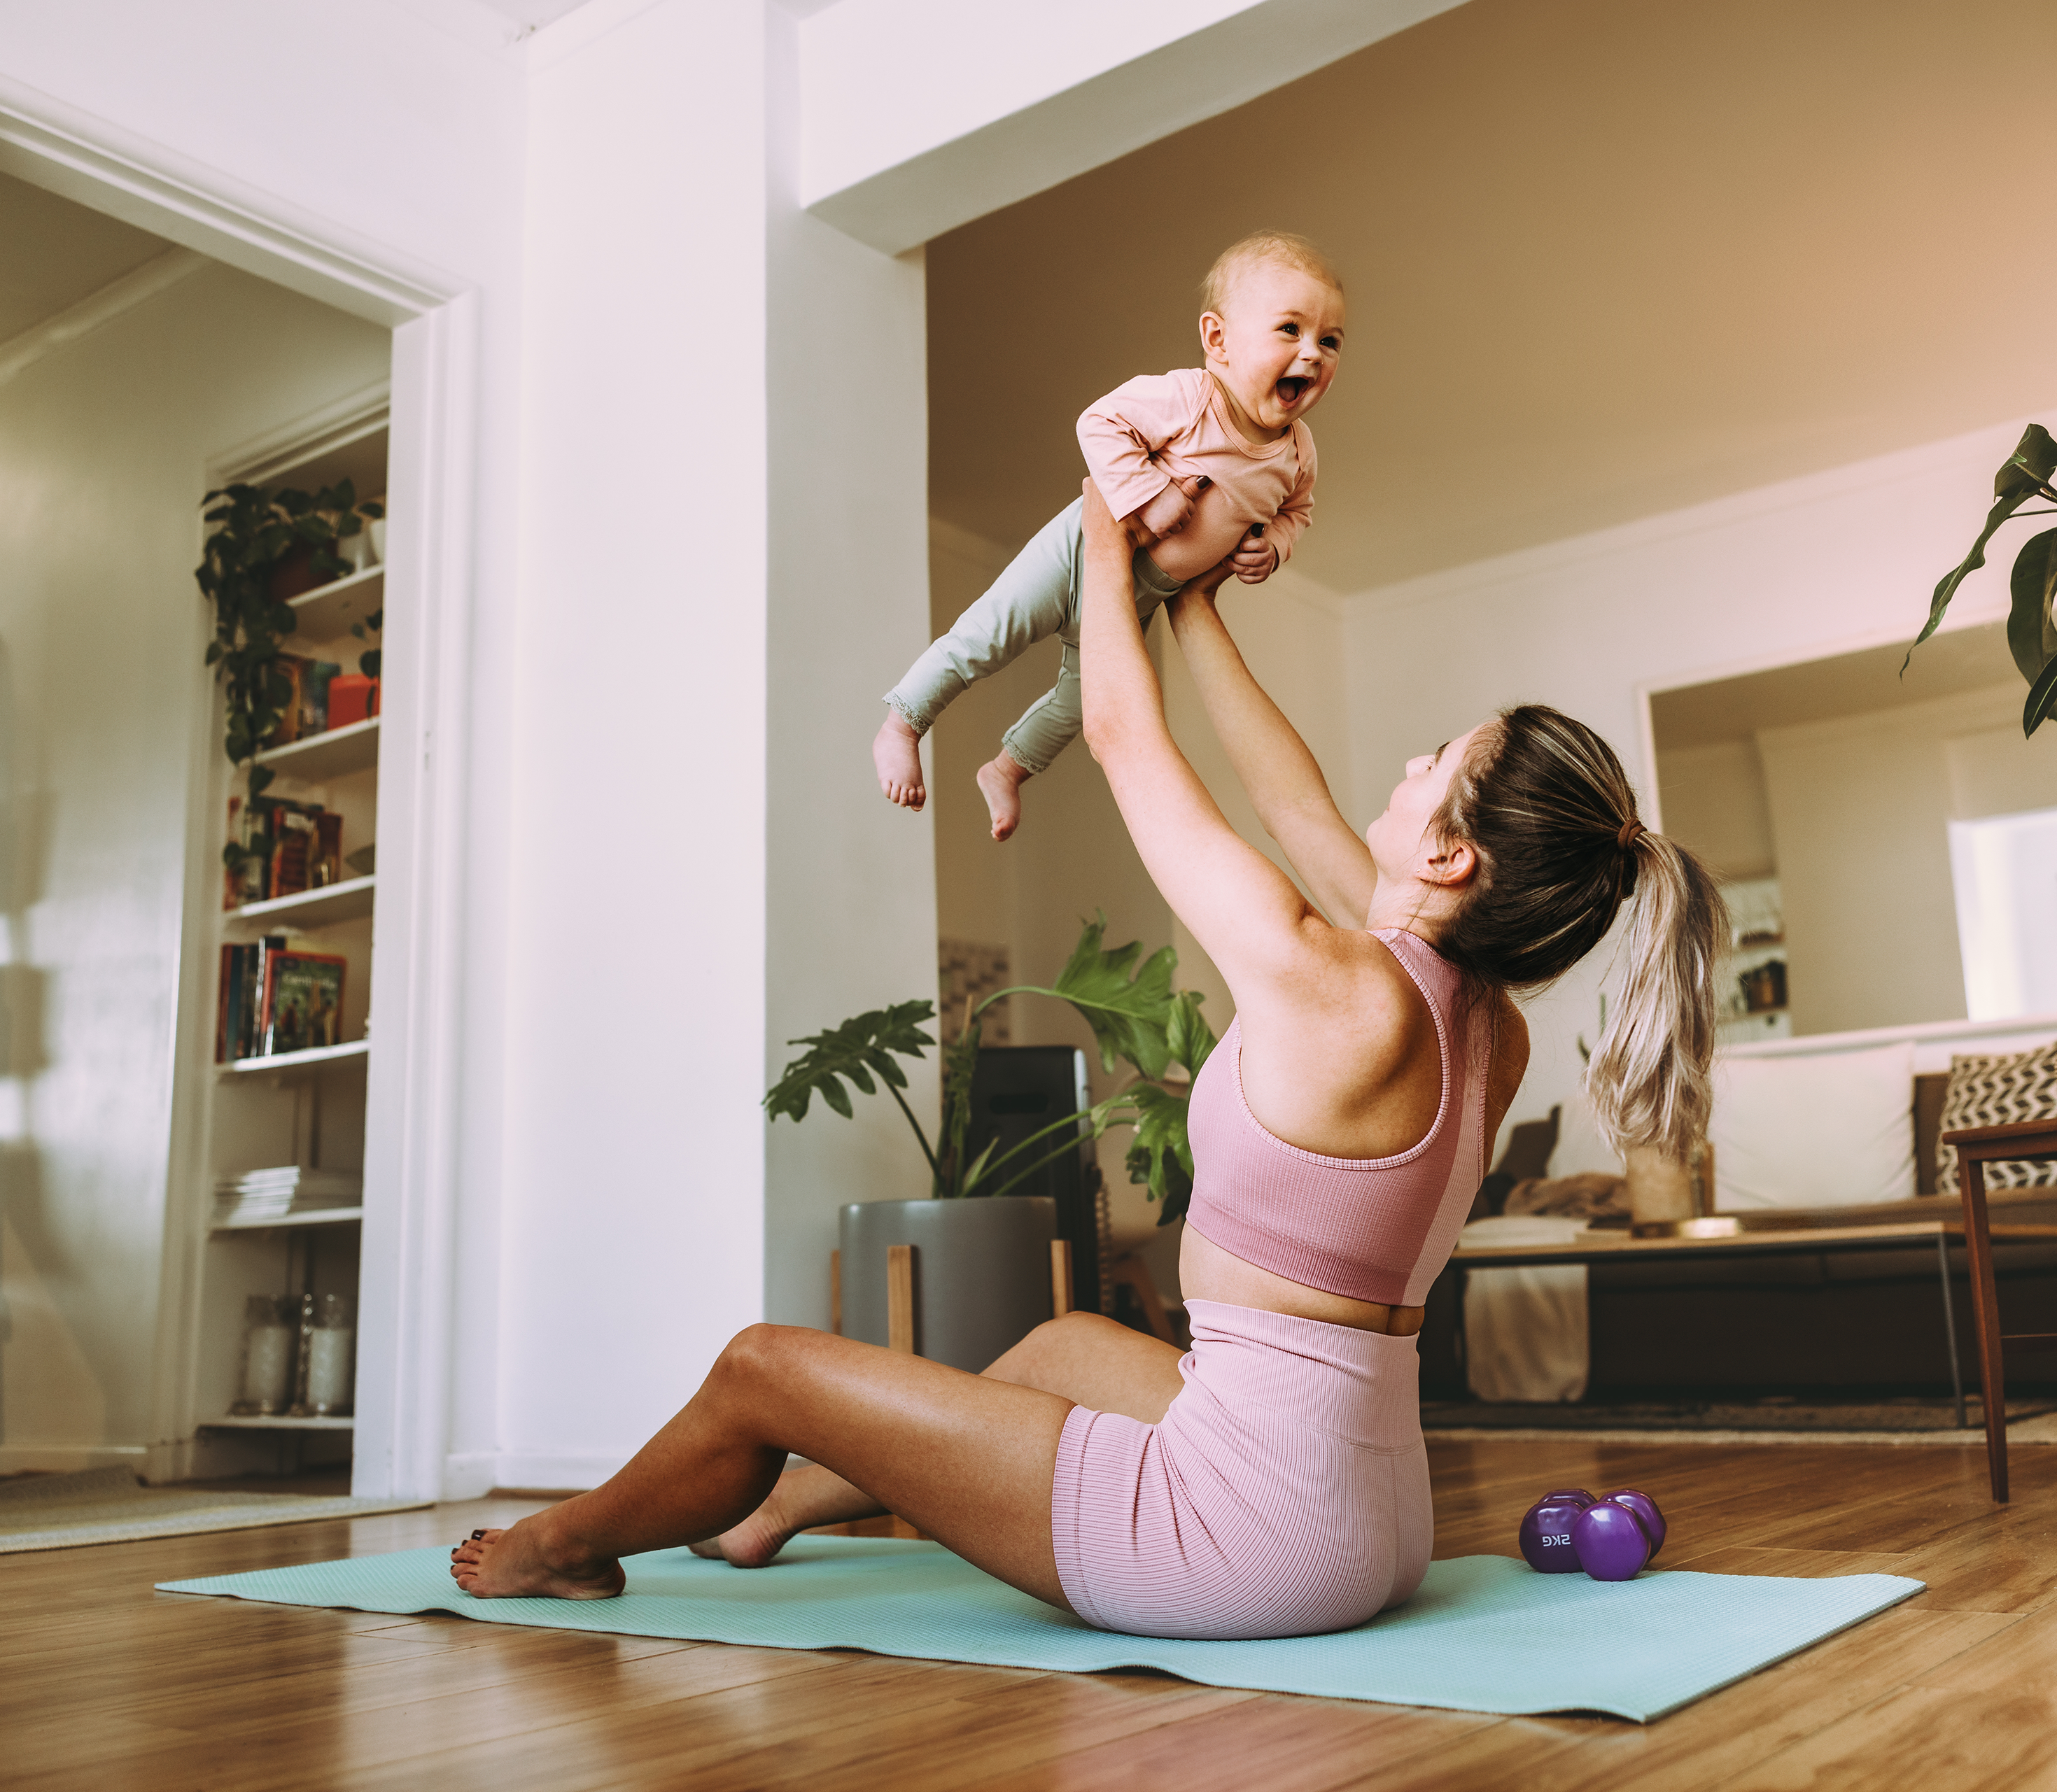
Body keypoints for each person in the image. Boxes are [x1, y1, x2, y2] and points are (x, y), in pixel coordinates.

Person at [453, 481, 1726, 1639]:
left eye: (1436, 762)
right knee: (1064, 1344)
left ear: (1452, 857)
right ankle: (774, 1508)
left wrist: (1105, 524)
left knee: (761, 1365)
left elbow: (1123, 739)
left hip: (1239, 1541)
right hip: (1371, 1515)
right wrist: (1197, 600)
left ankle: (559, 1548)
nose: (1409, 765)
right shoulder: (1478, 1022)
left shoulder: (1331, 982)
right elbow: (1290, 802)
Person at [871, 230, 1338, 843]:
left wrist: (1273, 545)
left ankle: (1007, 768)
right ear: (1217, 341)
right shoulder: (1192, 398)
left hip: (1136, 597)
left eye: (1329, 341)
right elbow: (1100, 421)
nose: (1313, 353)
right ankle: (904, 721)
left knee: (1084, 701)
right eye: (1290, 330)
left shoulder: (1298, 454)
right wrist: (1149, 492)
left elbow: (1296, 512)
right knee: (988, 634)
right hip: (1076, 554)